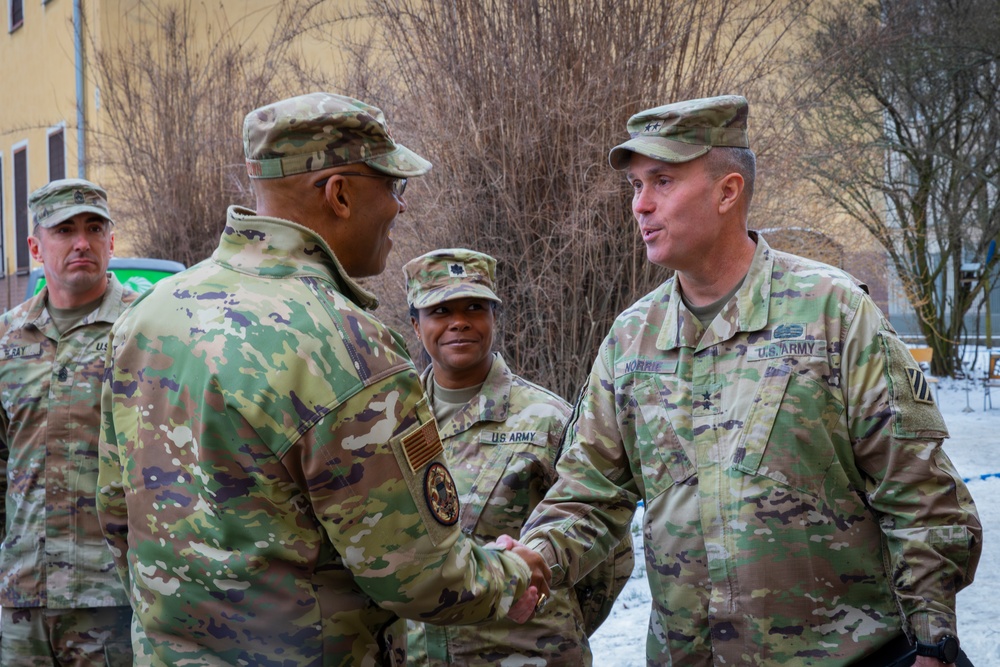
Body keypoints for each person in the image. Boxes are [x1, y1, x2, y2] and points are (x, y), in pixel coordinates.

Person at [519, 95, 982, 666]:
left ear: (727, 191)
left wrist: (933, 642)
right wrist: (535, 557)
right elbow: (589, 495)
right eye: (635, 186)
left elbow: (919, 493)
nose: (640, 205)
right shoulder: (631, 337)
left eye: (661, 181)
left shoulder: (832, 312)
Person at [95, 92, 549, 666]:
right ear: (340, 194)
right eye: (393, 186)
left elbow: (116, 515)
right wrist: (512, 577)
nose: (399, 209)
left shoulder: (147, 316)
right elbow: (417, 574)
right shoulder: (342, 344)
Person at [402, 248, 633, 666]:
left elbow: (608, 551)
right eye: (440, 310)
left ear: (494, 319)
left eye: (475, 307)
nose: (459, 321)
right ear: (417, 327)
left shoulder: (548, 419)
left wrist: (557, 620)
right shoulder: (393, 424)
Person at [0, 179, 135, 665]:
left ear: (111, 242)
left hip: (111, 600)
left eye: (94, 228)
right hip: (22, 600)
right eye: (65, 230)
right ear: (36, 246)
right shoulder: (8, 338)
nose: (82, 242)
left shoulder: (145, 330)